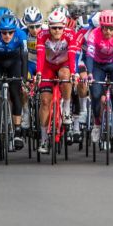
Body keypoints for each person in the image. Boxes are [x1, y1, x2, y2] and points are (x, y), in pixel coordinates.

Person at [34, 9, 79, 154]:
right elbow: (40, 56)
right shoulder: (42, 35)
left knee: (65, 74)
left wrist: (73, 73)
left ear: (64, 27)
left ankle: (66, 108)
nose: (57, 31)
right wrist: (39, 73)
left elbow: (72, 56)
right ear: (49, 27)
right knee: (45, 102)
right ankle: (44, 140)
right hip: (47, 67)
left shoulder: (70, 35)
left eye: (60, 27)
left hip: (64, 65)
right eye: (54, 28)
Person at [84, 10, 113, 143]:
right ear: (101, 26)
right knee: (96, 93)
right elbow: (89, 56)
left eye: (111, 28)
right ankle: (97, 124)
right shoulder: (94, 34)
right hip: (98, 66)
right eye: (105, 28)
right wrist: (89, 73)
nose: (108, 31)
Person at [0, 14, 28, 151]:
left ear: (15, 31)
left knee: (15, 92)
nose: (7, 35)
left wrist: (24, 80)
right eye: (4, 32)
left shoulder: (21, 36)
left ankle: (18, 131)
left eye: (10, 32)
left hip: (14, 62)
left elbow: (24, 59)